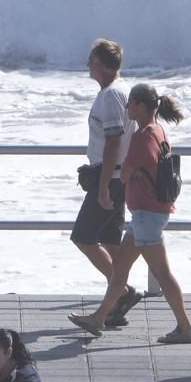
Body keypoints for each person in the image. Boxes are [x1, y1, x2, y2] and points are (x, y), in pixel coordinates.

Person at [70, 84, 191, 344]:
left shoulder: (143, 136)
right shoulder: (158, 130)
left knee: (162, 273)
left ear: (139, 105)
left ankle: (185, 328)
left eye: (130, 104)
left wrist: (131, 173)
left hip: (146, 215)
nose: (126, 107)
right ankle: (98, 318)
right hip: (147, 213)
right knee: (119, 270)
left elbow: (127, 172)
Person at [70, 39, 143, 327]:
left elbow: (113, 141)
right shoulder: (120, 91)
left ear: (100, 64)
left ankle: (122, 293)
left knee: (83, 237)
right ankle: (119, 297)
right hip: (117, 177)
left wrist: (101, 187)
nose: (88, 64)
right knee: (112, 242)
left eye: (91, 60)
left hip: (110, 179)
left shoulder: (111, 95)